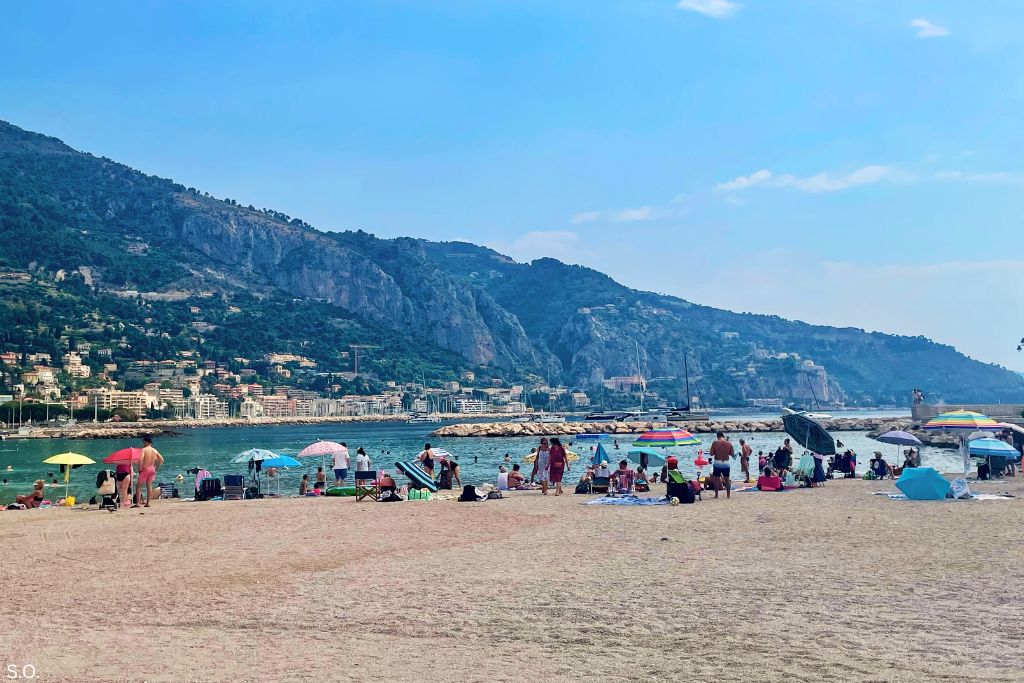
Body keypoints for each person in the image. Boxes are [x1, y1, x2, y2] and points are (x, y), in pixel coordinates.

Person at [135, 435, 164, 508]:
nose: (143, 443)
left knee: (138, 486)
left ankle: (138, 503)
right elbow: (161, 459)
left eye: (143, 441)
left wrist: (139, 468)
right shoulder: (154, 450)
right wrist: (157, 467)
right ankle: (148, 503)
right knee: (149, 485)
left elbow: (140, 459)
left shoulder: (144, 450)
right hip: (152, 469)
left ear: (146, 442)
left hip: (145, 469)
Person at [709, 431, 734, 499]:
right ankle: (728, 495)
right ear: (723, 436)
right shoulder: (729, 443)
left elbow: (711, 454)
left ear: (717, 436)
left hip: (717, 463)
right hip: (726, 463)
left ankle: (716, 495)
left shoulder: (715, 443)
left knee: (716, 479)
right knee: (727, 479)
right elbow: (732, 454)